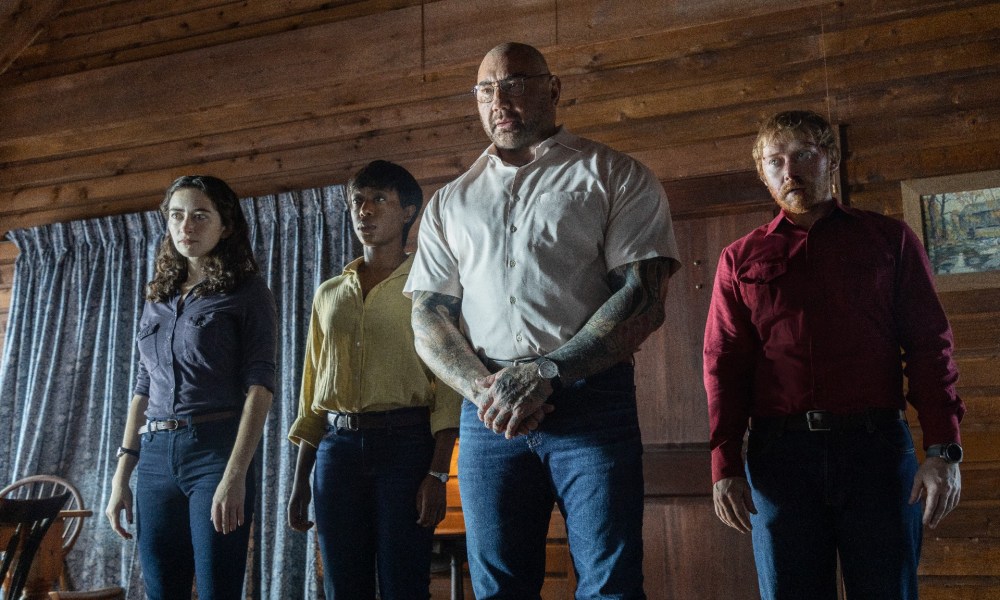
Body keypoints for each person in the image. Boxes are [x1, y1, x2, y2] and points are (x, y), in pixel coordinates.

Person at [404, 42, 680, 600]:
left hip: (592, 405)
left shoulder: (615, 174)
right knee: (499, 588)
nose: (499, 100)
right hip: (488, 414)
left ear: (553, 89)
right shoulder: (450, 201)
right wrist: (488, 390)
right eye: (486, 89)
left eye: (516, 82)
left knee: (611, 585)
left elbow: (642, 297)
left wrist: (547, 371)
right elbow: (428, 316)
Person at [704, 110, 966, 599]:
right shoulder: (739, 259)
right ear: (762, 173)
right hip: (781, 460)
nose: (791, 170)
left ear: (831, 159)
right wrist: (725, 465)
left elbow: (932, 348)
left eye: (804, 155)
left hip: (875, 453)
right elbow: (724, 365)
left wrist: (942, 449)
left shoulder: (890, 241)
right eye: (775, 161)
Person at [286, 160, 461, 599]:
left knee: (404, 581)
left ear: (408, 212)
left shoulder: (428, 287)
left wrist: (438, 474)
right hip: (336, 452)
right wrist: (300, 483)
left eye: (379, 200)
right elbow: (313, 391)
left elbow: (449, 388)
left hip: (406, 447)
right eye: (357, 201)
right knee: (344, 585)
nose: (364, 211)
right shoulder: (330, 293)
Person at [105, 175, 277, 600]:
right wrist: (121, 475)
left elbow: (261, 387)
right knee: (163, 592)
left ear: (227, 225)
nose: (187, 226)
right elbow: (143, 385)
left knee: (218, 589)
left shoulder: (248, 292)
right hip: (155, 459)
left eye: (201, 215)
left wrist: (235, 473)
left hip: (216, 452)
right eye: (177, 215)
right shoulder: (157, 296)